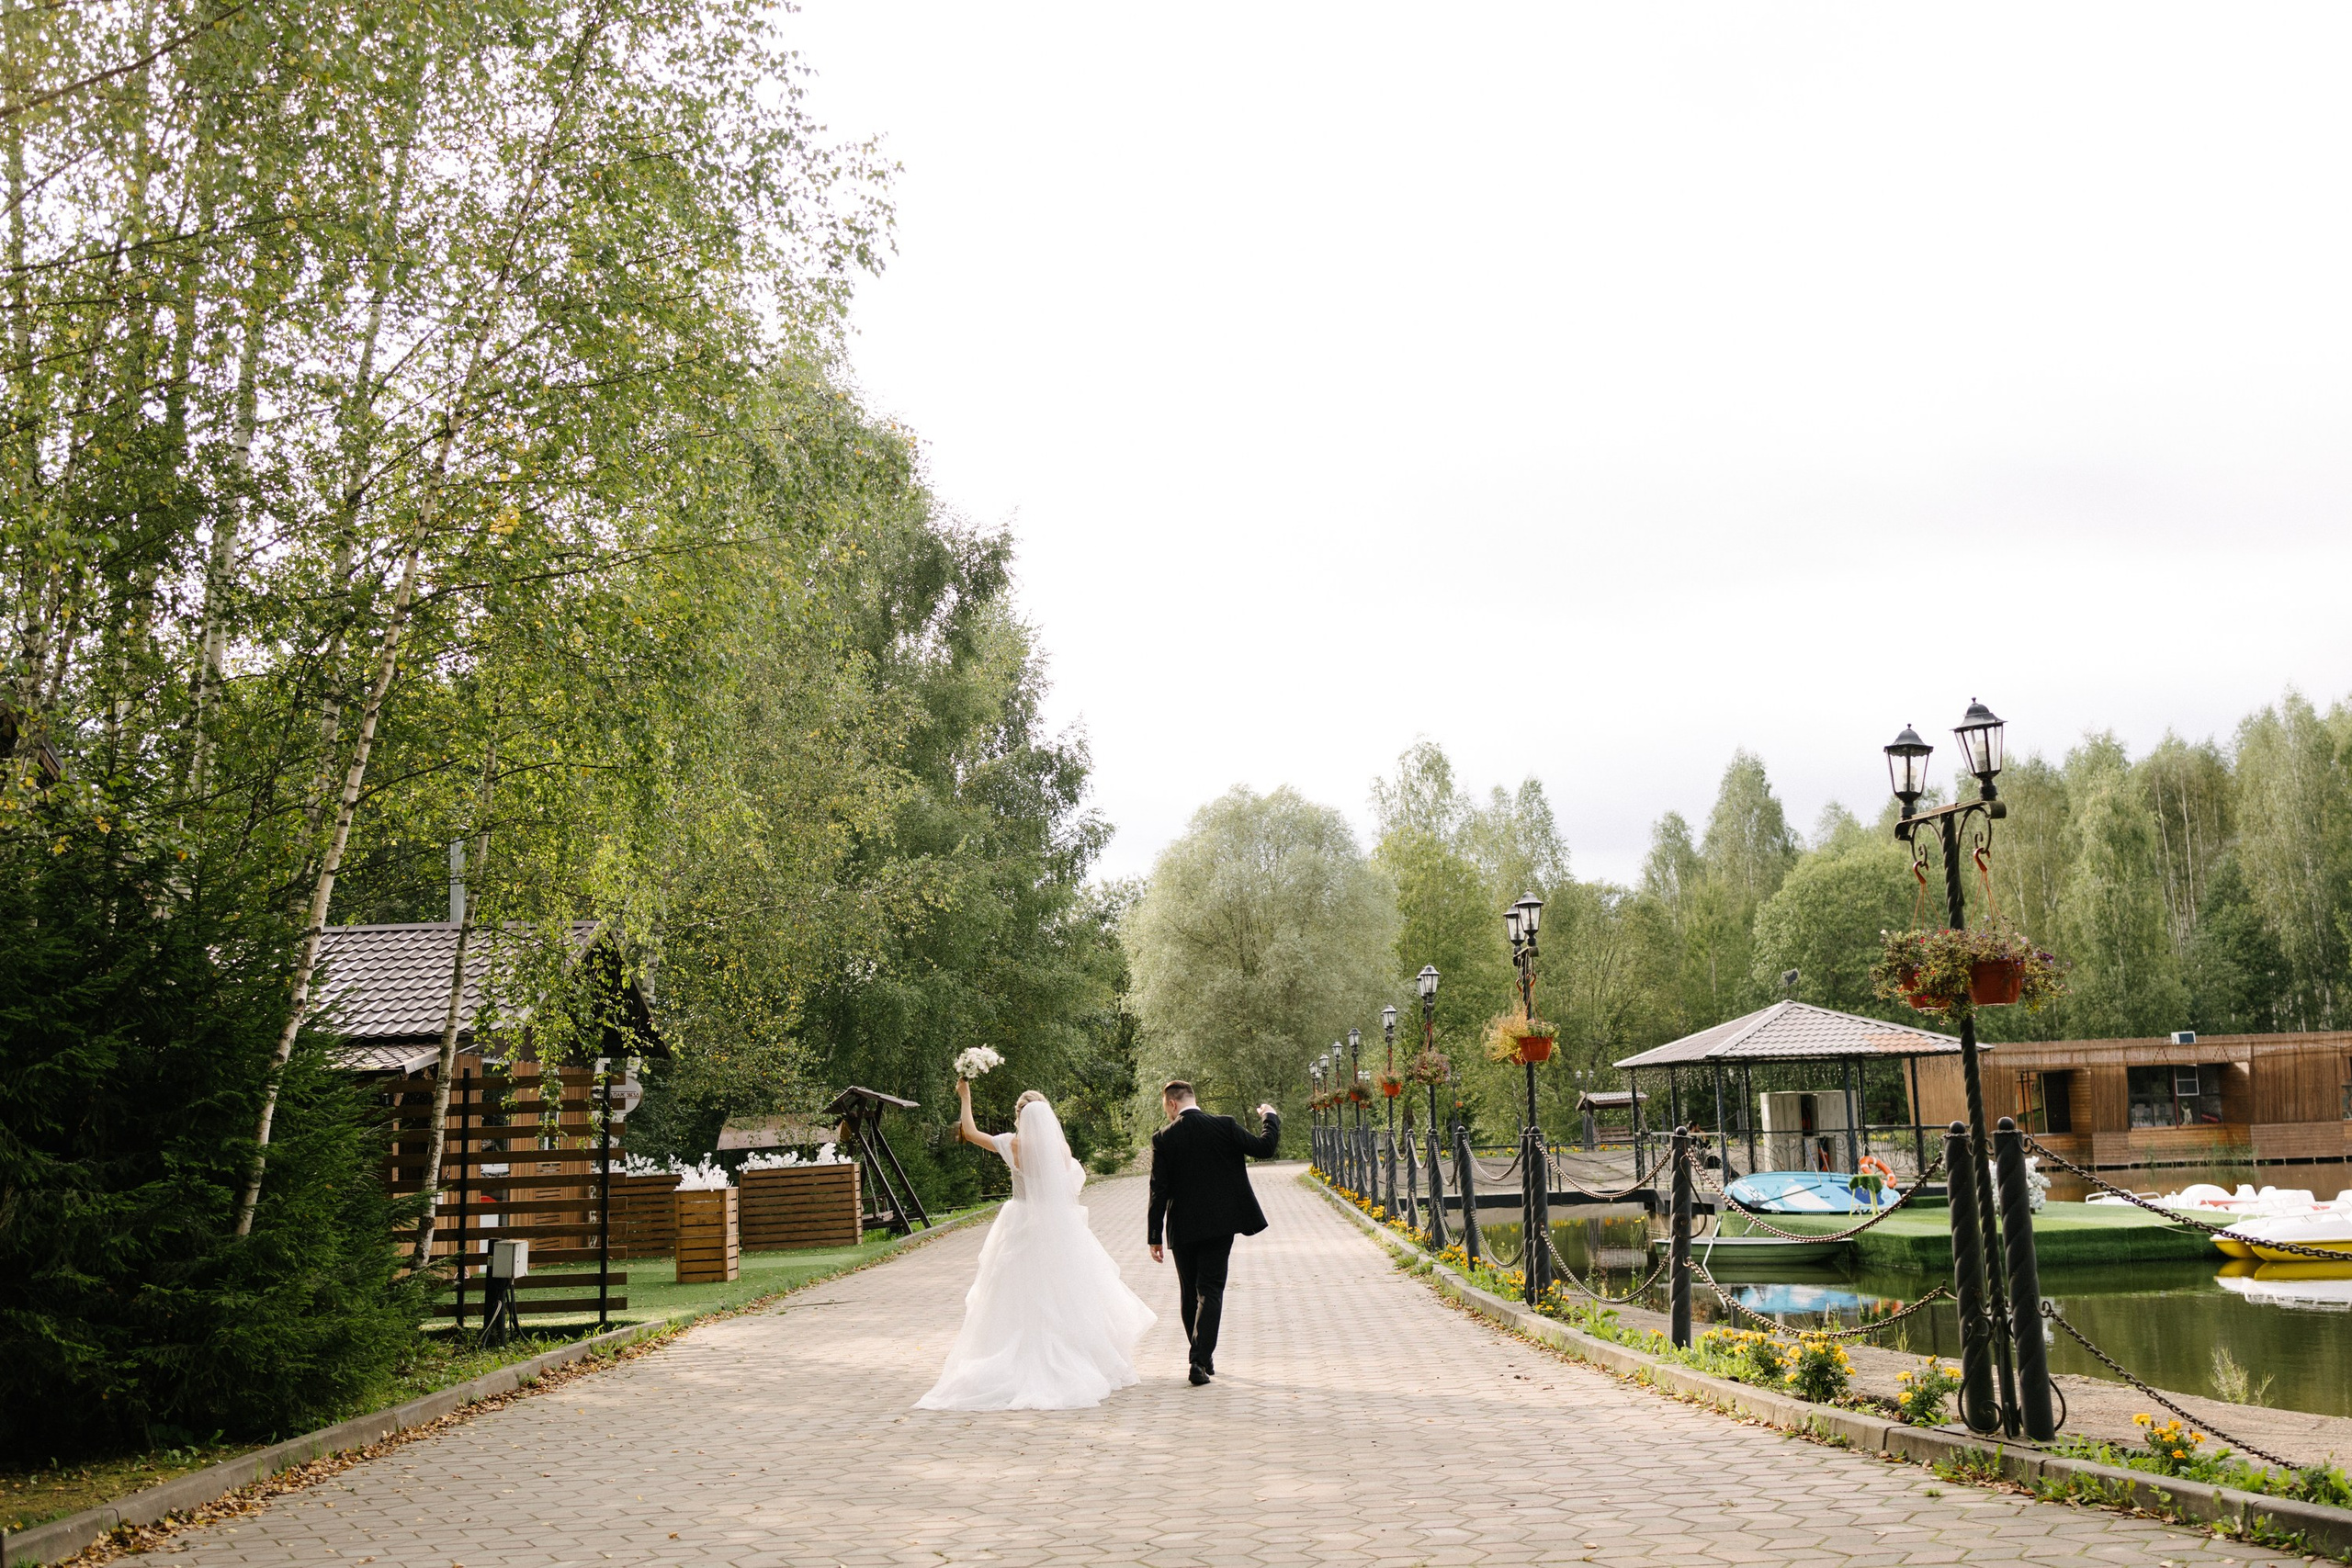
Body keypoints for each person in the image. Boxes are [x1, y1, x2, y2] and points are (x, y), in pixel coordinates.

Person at [914, 1079, 1156, 1411]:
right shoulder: (1061, 1150)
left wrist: (965, 1096)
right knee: (1064, 1294)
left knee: (1014, 1294)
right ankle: (1079, 1357)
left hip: (1020, 1224)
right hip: (1058, 1227)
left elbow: (968, 1132)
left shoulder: (1011, 1144)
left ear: (1019, 1117)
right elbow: (1071, 1187)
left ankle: (1015, 1355)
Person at [1147, 1080, 1280, 1387]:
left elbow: (1158, 1189)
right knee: (1211, 1289)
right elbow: (1265, 1148)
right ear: (1192, 1099)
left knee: (1189, 1291)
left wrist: (1154, 1235)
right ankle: (1199, 1360)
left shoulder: (1163, 1138)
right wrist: (1269, 1117)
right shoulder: (1224, 1125)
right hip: (1221, 1224)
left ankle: (1200, 1356)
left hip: (1182, 1226)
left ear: (1171, 1104)